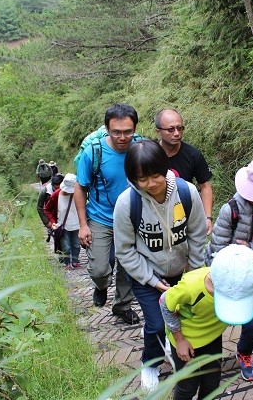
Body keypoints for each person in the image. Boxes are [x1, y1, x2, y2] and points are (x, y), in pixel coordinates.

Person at [113, 140, 208, 392]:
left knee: (185, 317)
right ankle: (150, 363)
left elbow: (198, 234)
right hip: (148, 276)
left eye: (156, 175)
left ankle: (179, 351)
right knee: (155, 324)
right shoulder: (127, 203)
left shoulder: (187, 193)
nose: (151, 183)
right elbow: (124, 250)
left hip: (183, 272)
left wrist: (195, 272)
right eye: (142, 179)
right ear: (133, 177)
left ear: (165, 168)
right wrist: (153, 281)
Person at [160, 244, 253, 400]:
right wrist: (179, 339)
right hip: (186, 338)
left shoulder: (251, 279)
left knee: (211, 384)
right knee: (187, 386)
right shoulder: (191, 285)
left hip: (213, 337)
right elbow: (164, 302)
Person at [205, 155, 253, 381]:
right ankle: (209, 358)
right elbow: (217, 249)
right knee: (214, 319)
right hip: (225, 275)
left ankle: (245, 352)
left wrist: (250, 248)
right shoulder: (232, 210)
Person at [74, 103, 141, 325]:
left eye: (128, 131)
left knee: (128, 265)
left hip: (133, 218)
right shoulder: (94, 152)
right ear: (107, 129)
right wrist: (83, 224)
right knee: (100, 268)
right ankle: (101, 285)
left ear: (135, 129)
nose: (123, 137)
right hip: (100, 218)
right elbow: (80, 187)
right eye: (116, 132)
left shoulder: (141, 148)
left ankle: (122, 305)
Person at [155, 109, 214, 235]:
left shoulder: (193, 155)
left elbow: (205, 186)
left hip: (184, 213)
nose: (176, 133)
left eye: (180, 128)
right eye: (170, 129)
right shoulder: (150, 154)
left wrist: (207, 217)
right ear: (158, 131)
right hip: (154, 213)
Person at [44, 173, 81, 269]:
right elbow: (47, 209)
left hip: (76, 224)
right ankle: (67, 263)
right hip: (62, 226)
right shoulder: (56, 194)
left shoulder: (79, 193)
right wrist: (52, 222)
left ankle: (75, 262)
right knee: (66, 247)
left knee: (76, 245)